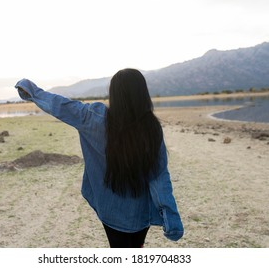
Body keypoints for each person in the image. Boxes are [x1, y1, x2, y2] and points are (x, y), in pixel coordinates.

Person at [15, 68, 184, 247]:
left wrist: (33, 92)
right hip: (139, 215)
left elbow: (63, 106)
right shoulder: (151, 128)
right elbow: (159, 176)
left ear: (114, 93)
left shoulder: (94, 117)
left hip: (109, 211)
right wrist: (170, 216)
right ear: (142, 93)